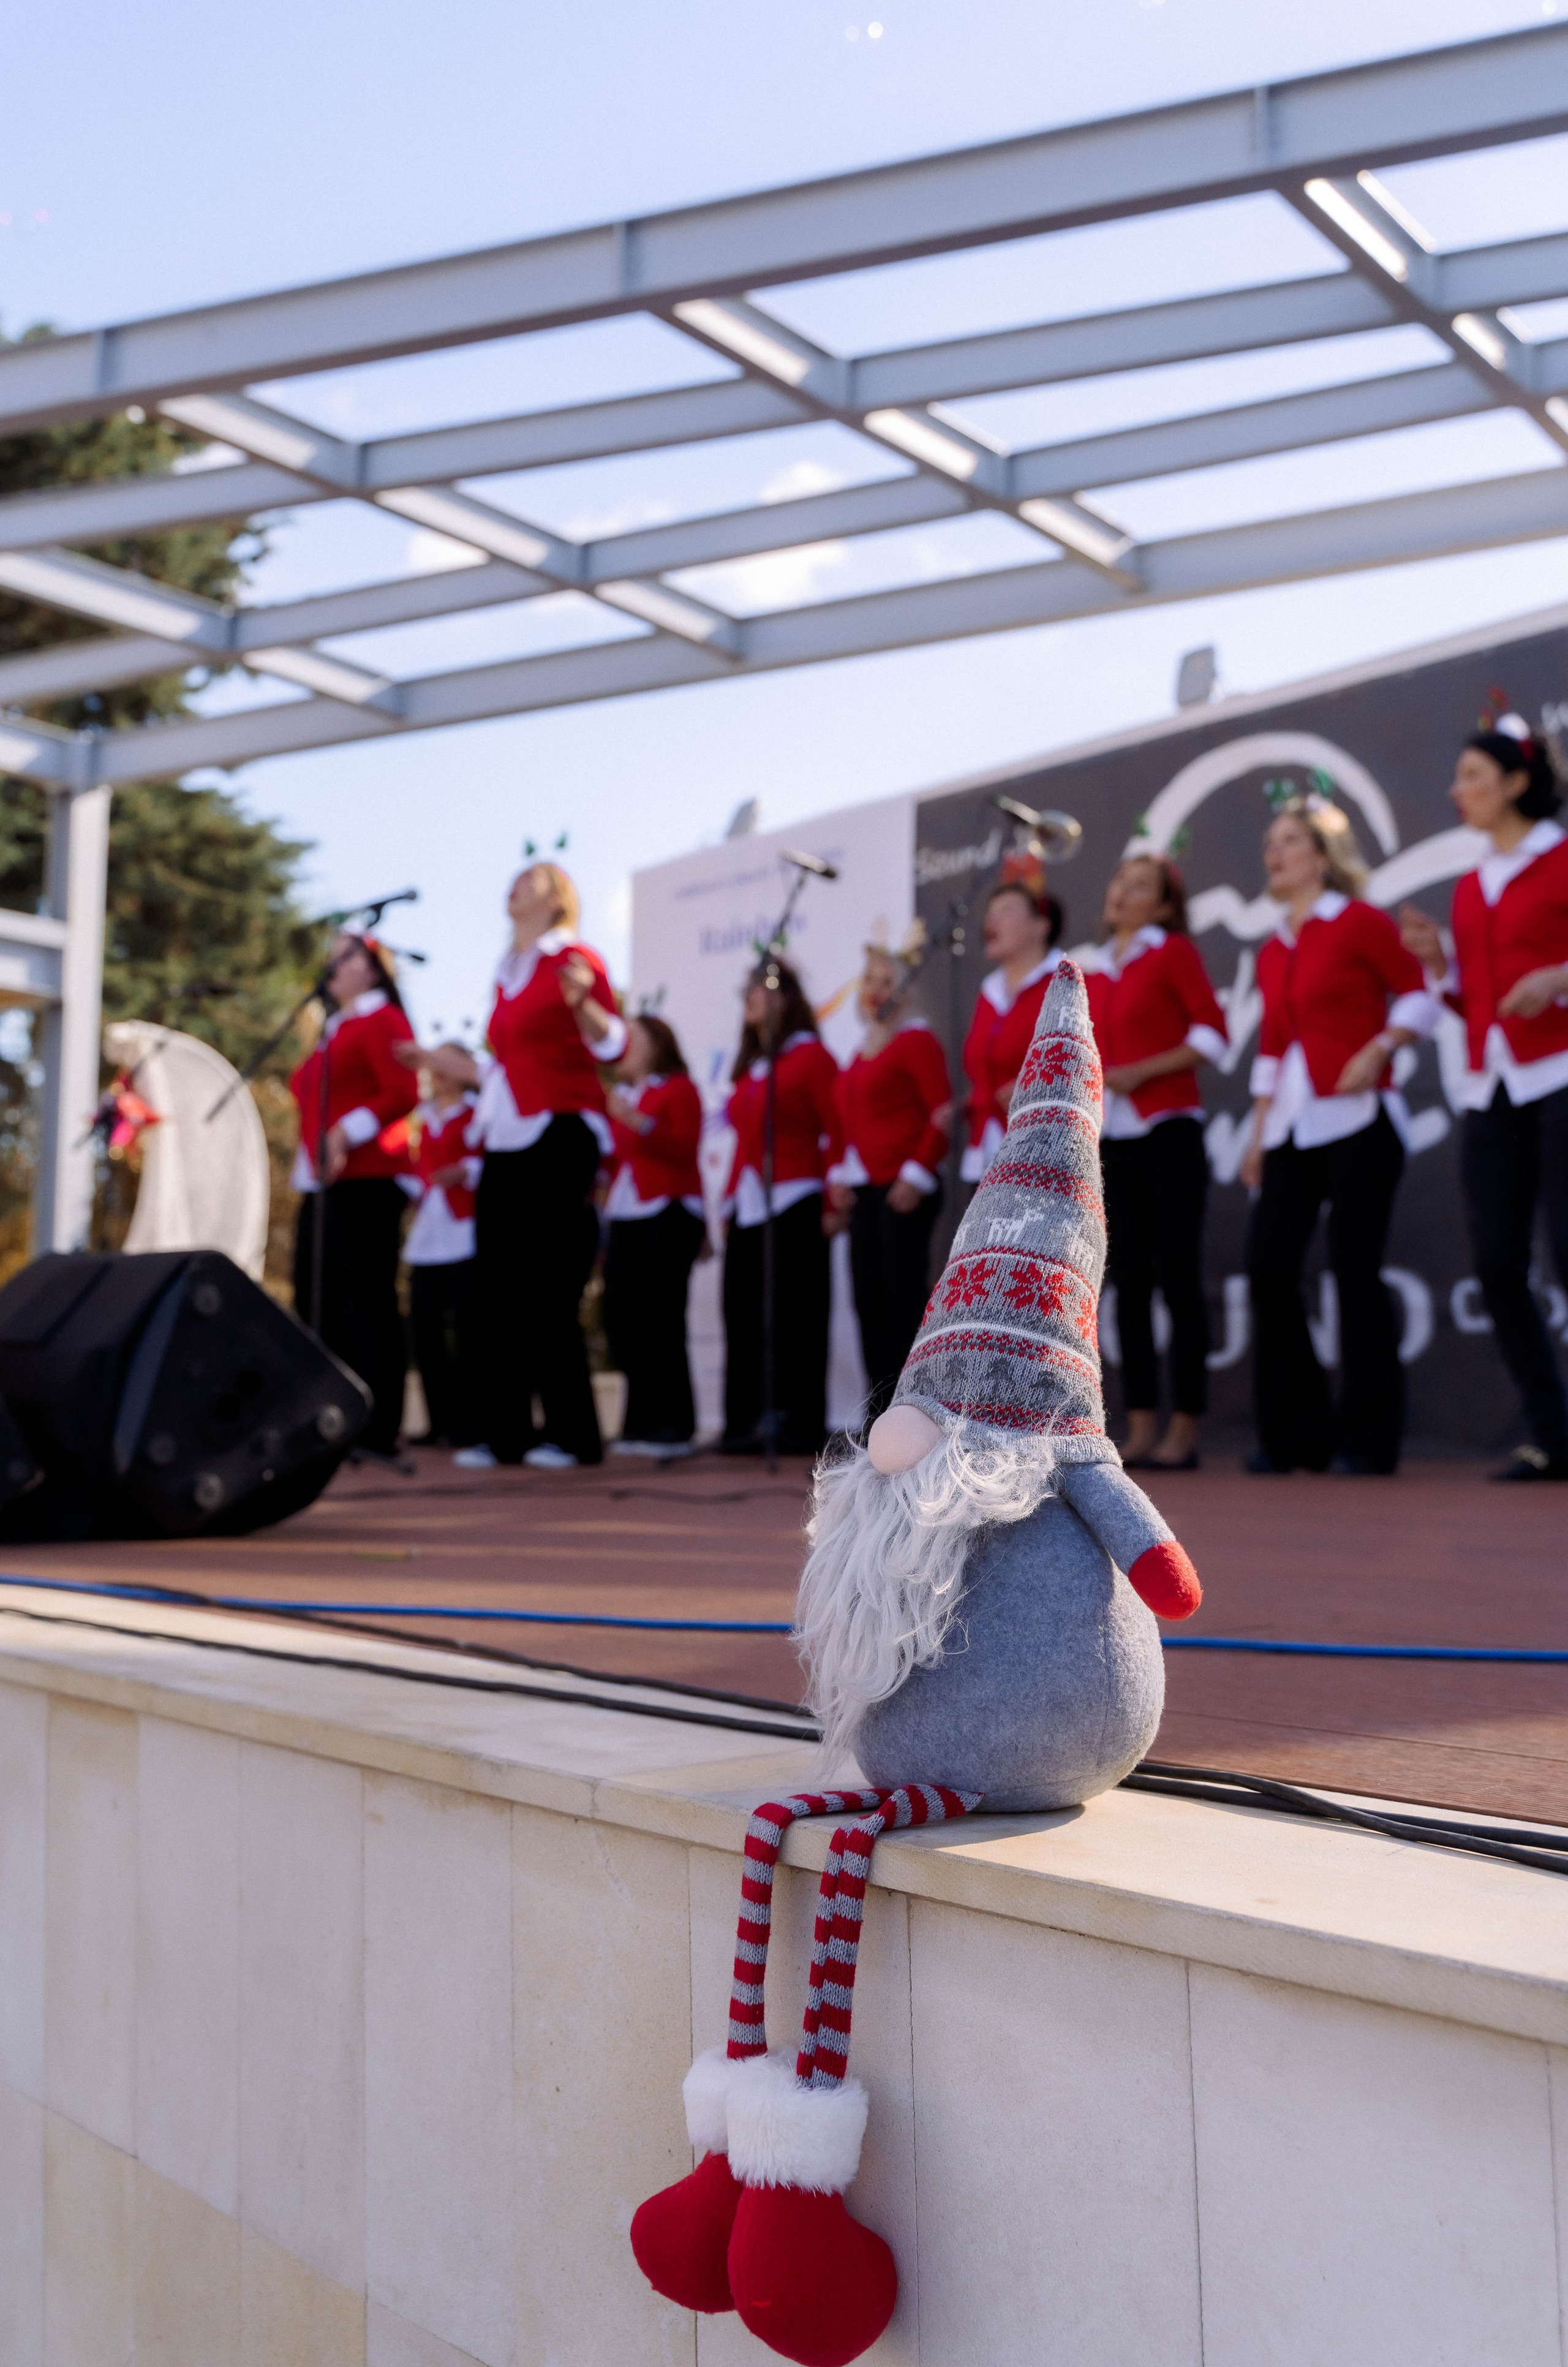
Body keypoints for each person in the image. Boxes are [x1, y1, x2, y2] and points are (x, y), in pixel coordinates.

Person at [1240, 796, 1438, 1475]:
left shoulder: (1356, 922)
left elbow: (1417, 991)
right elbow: (1272, 1046)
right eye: (1271, 841)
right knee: (1269, 1269)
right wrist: (1257, 1134)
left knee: (1355, 1271)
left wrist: (1380, 1047)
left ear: (1321, 856)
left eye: (1290, 840)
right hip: (1293, 1127)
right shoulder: (1272, 949)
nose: (1276, 852)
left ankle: (1368, 1440)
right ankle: (1296, 1437)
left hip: (1359, 1122)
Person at [1400, 715, 1568, 1481]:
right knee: (1499, 1264)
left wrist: (1558, 978)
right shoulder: (1469, 887)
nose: (1455, 790)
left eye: (1472, 776)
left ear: (1517, 781)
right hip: (1494, 1088)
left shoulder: (1560, 859)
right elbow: (1476, 1004)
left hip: (1560, 1074)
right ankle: (1551, 1433)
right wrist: (1440, 964)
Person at [459, 861, 627, 1471]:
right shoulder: (507, 972)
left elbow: (613, 1045)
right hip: (506, 1137)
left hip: (560, 1131)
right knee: (496, 1288)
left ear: (557, 898)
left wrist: (584, 1004)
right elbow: (504, 1064)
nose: (513, 884)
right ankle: (506, 1434)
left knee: (548, 1287)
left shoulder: (572, 958)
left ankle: (574, 1436)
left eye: (529, 879)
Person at [1085, 851, 1228, 1470]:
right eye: (1120, 879)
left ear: (1165, 905)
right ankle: (1139, 1423)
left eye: (1140, 885)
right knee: (1129, 1285)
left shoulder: (1171, 953)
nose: (1122, 892)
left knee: (1176, 1278)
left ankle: (1185, 1426)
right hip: (1111, 1142)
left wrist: (1139, 1072)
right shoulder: (1087, 969)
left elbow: (1212, 1036)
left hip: (1168, 1131)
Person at [290, 931, 418, 1462]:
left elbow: (402, 1091)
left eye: (346, 955)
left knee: (367, 1302)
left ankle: (375, 1425)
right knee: (316, 1298)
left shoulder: (383, 1018)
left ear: (373, 968)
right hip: (325, 1183)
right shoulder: (333, 1027)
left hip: (368, 1178)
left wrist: (344, 1133)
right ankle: (331, 1419)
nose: (333, 964)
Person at [721, 955, 842, 1456]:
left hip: (797, 1197)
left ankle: (799, 1420)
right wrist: (729, 1201)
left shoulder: (811, 1057)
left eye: (760, 988)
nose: (749, 997)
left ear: (786, 998)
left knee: (798, 1313)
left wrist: (835, 1196)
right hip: (750, 1203)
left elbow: (836, 1126)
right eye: (747, 988)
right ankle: (744, 1421)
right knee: (742, 1313)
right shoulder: (754, 1067)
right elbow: (745, 1141)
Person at [828, 938, 950, 1423]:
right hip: (868, 1193)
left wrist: (916, 1174)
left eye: (888, 982)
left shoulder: (915, 1040)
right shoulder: (860, 1052)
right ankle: (880, 1419)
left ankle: (915, 1418)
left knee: (901, 1302)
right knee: (868, 1304)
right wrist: (839, 1176)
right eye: (871, 982)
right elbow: (848, 1125)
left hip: (905, 1190)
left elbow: (942, 1114)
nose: (877, 992)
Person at [602, 1013, 707, 1459]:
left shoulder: (679, 1088)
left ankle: (673, 1424)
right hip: (628, 1210)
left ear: (655, 1045)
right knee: (625, 1318)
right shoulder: (626, 1094)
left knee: (661, 1316)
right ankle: (639, 1420)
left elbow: (683, 1147)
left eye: (635, 1038)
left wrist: (638, 1122)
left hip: (668, 1209)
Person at [398, 1044, 480, 1450]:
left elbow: (489, 1159)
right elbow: (416, 1167)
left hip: (465, 1231)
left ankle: (471, 1421)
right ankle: (439, 1420)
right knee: (425, 1326)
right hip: (430, 1232)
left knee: (466, 1328)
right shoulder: (423, 1116)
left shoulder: (475, 1112)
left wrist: (466, 1171)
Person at [960, 878, 1063, 1182]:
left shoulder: (1066, 981)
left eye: (1006, 910)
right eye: (990, 913)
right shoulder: (988, 991)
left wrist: (1036, 1082)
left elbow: (1088, 1058)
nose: (991, 920)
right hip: (985, 1154)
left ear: (1040, 926)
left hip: (1042, 1155)